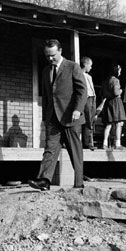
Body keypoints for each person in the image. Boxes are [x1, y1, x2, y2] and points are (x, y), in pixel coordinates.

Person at [28, 39, 87, 190]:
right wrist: (44, 119)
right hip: (53, 118)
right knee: (50, 149)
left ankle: (79, 183)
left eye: (53, 55)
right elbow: (47, 97)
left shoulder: (73, 67)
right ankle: (44, 181)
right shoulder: (46, 71)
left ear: (60, 51)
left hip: (71, 116)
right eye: (47, 56)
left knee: (75, 150)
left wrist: (77, 110)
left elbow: (82, 91)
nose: (50, 58)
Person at [100, 64, 126, 150]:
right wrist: (121, 91)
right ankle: (117, 144)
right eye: (119, 70)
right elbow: (116, 92)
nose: (120, 72)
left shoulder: (106, 80)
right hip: (116, 102)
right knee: (118, 123)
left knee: (109, 124)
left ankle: (104, 143)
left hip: (108, 102)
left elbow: (103, 93)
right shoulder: (116, 81)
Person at [81, 57, 97, 150]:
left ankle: (89, 141)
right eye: (90, 65)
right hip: (86, 99)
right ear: (85, 64)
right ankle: (86, 143)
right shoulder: (81, 75)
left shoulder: (88, 76)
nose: (90, 68)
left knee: (91, 121)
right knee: (87, 121)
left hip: (92, 99)